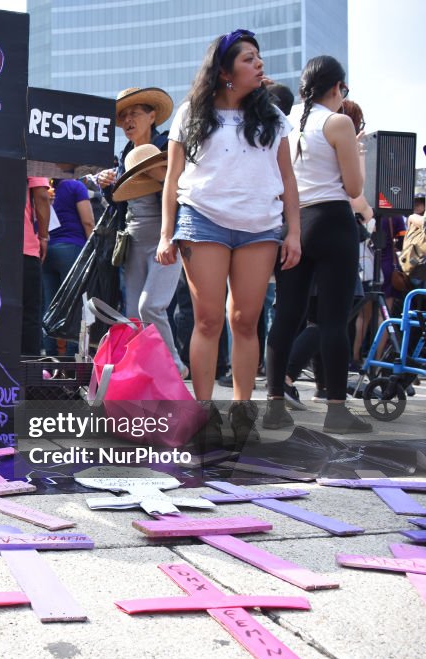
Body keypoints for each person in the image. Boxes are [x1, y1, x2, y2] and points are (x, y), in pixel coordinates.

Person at [156, 29, 300, 446]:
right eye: (249, 59)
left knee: (246, 321)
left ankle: (241, 410)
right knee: (208, 319)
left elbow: (288, 180)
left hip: (260, 226)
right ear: (224, 71)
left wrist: (294, 233)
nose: (259, 64)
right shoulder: (190, 113)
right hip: (203, 221)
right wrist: (167, 234)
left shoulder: (273, 117)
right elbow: (171, 179)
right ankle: (203, 412)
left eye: (259, 58)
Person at [264, 57, 370, 433]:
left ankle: (274, 405)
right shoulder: (338, 122)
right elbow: (355, 189)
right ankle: (337, 410)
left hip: (292, 222)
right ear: (337, 87)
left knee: (287, 314)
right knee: (333, 319)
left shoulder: (283, 121)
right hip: (332, 222)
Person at [101, 87, 186, 375]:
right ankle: (144, 372)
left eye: (134, 113)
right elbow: (118, 204)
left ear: (152, 116)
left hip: (168, 239)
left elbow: (184, 191)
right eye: (123, 116)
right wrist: (106, 187)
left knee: (151, 307)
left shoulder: (169, 147)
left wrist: (158, 173)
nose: (127, 120)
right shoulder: (122, 154)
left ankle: (174, 365)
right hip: (133, 242)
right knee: (132, 316)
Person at [42, 177, 93, 356]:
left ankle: (50, 356)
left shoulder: (39, 188)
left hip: (47, 251)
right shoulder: (75, 186)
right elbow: (88, 222)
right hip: (72, 250)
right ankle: (74, 356)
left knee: (49, 305)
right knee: (76, 306)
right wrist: (92, 249)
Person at [22, 177, 51, 356]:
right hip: (23, 247)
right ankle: (25, 377)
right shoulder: (29, 153)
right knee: (29, 316)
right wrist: (43, 236)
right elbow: (41, 195)